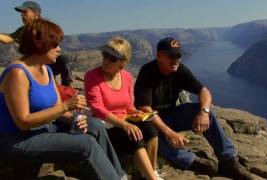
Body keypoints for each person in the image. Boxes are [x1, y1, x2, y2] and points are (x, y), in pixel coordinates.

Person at [0, 19, 126, 180]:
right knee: (85, 145)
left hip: (45, 128)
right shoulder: (17, 73)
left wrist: (76, 119)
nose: (59, 50)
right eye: (54, 45)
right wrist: (66, 106)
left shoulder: (46, 70)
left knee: (95, 125)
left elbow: (56, 108)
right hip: (18, 140)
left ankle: (120, 176)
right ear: (40, 45)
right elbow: (23, 122)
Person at [134, 37, 254, 179]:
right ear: (159, 56)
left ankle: (228, 160)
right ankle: (194, 162)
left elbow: (204, 91)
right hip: (151, 122)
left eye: (179, 55)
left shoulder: (179, 70)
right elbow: (145, 109)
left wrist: (204, 112)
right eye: (171, 56)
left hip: (173, 115)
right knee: (155, 139)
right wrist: (169, 133)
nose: (176, 60)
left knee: (207, 115)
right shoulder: (147, 72)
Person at [84, 37, 162, 180]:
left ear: (123, 62)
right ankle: (152, 178)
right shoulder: (92, 76)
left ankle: (149, 171)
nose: (106, 61)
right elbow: (98, 109)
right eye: (105, 55)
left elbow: (128, 106)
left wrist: (137, 113)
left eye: (112, 59)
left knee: (150, 129)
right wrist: (125, 124)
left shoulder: (126, 77)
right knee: (133, 135)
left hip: (124, 120)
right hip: (106, 125)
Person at [0, 1, 73, 87]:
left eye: (25, 12)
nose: (22, 15)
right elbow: (8, 39)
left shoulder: (46, 27)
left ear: (35, 13)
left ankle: (67, 88)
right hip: (34, 64)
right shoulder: (23, 30)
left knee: (64, 58)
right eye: (21, 13)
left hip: (50, 62)